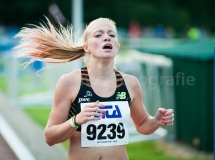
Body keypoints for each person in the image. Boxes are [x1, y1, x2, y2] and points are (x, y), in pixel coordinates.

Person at [14, 17, 174, 160]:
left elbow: (143, 125)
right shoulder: (69, 82)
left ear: (117, 46)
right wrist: (75, 120)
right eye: (98, 35)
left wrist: (156, 121)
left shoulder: (130, 83)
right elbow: (50, 137)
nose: (107, 38)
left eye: (111, 35)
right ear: (86, 47)